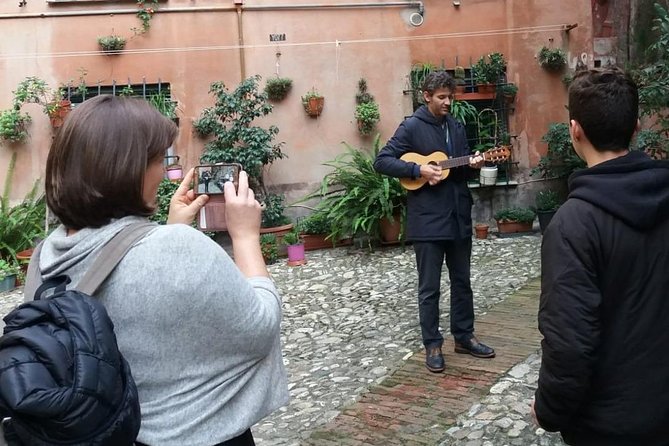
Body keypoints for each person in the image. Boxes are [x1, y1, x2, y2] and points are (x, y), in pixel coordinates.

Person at [25, 95, 289, 446]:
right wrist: (245, 236)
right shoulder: (176, 247)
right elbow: (261, 326)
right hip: (197, 435)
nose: (164, 171)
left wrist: (165, 228)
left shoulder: (45, 256)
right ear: (129, 168)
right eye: (158, 159)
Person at [532, 68, 669, 444]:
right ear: (636, 126)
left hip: (607, 424)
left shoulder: (573, 224)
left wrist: (548, 410)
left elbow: (569, 343)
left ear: (575, 130)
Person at [373, 70, 495, 374]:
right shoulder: (412, 126)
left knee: (462, 282)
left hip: (458, 217)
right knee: (429, 287)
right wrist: (419, 170)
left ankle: (464, 336)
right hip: (427, 221)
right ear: (426, 96)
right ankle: (433, 343)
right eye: (442, 97)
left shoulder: (456, 126)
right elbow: (382, 161)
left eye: (450, 97)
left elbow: (460, 170)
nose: (448, 102)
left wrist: (473, 163)